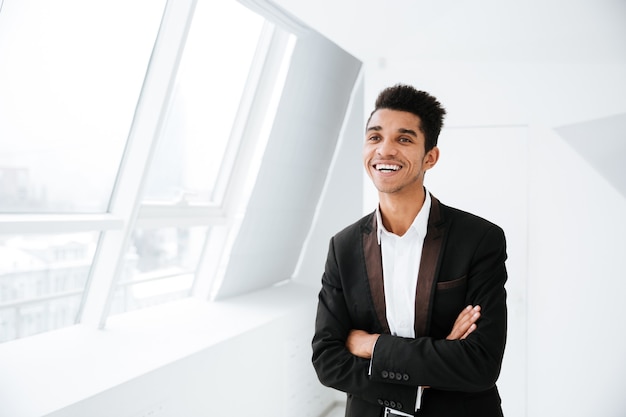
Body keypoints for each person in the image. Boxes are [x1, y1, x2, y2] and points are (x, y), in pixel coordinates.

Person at [311, 84, 507, 417]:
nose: (384, 150)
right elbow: (327, 360)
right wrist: (433, 364)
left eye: (404, 139)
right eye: (374, 137)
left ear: (429, 157)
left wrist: (370, 345)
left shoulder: (479, 239)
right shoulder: (342, 247)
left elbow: (480, 364)